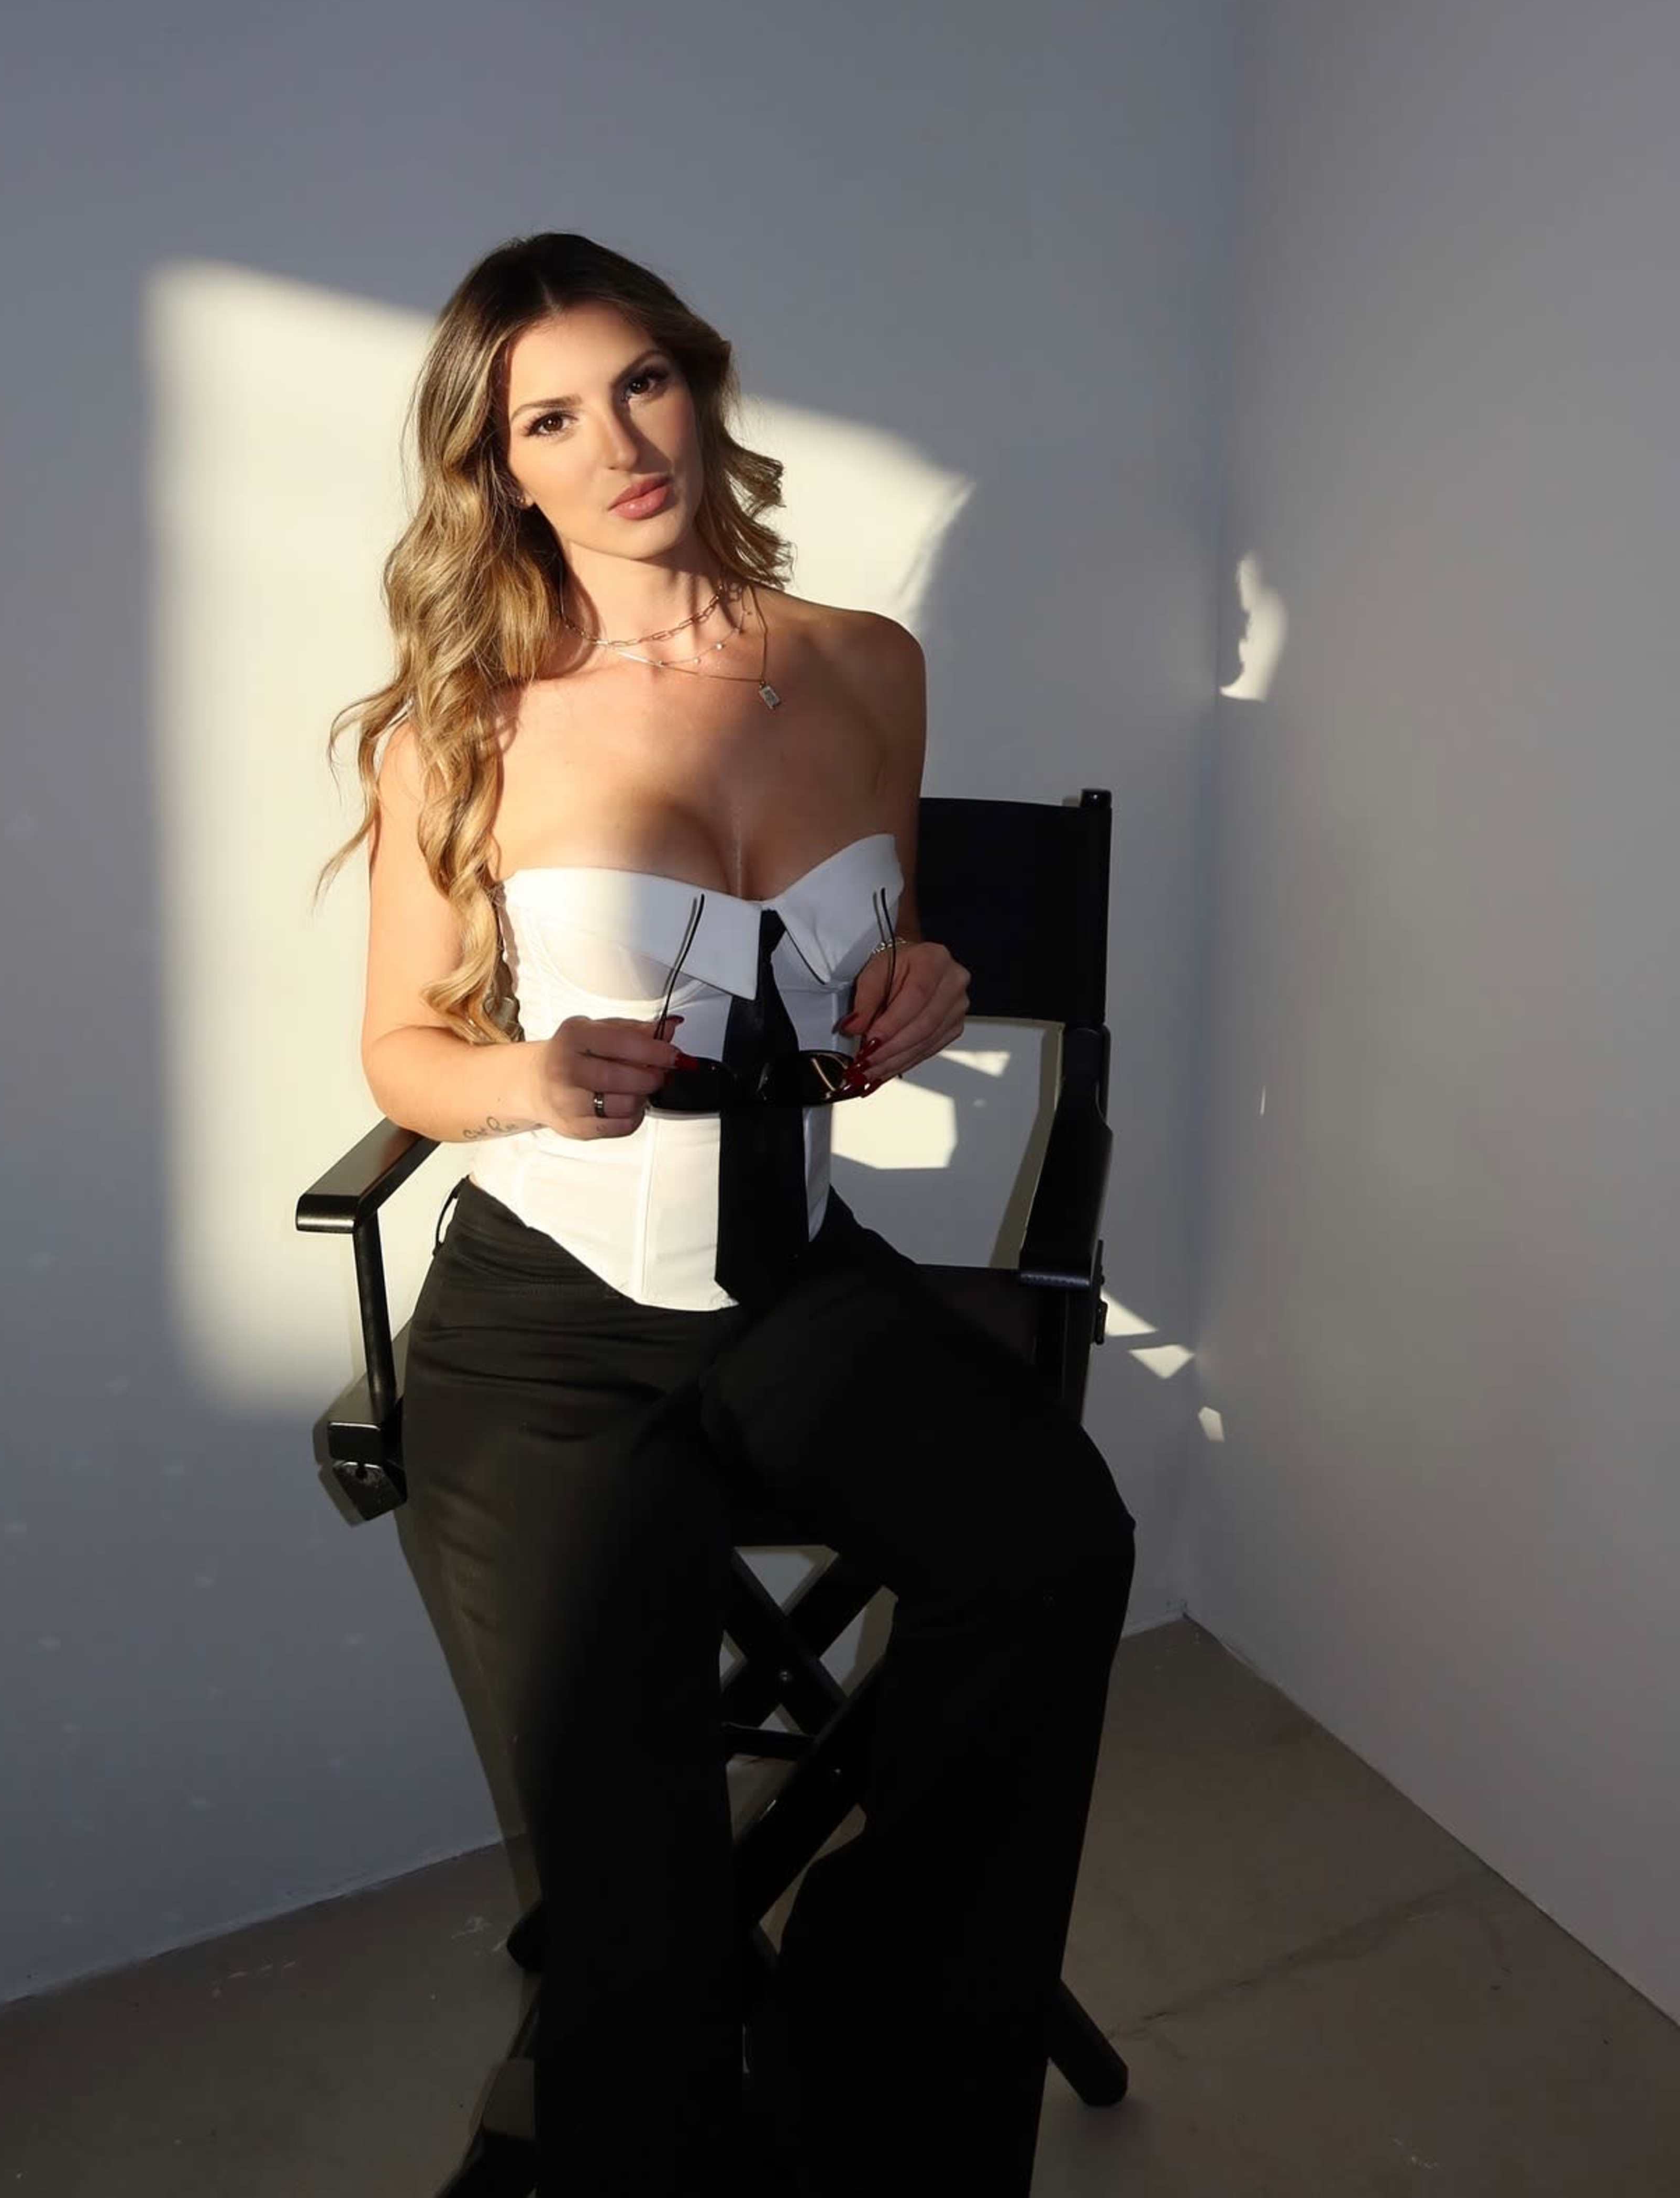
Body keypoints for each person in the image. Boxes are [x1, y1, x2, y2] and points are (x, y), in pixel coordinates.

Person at [316, 230, 1136, 2197]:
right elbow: (400, 1051)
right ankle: (675, 2047)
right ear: (500, 468)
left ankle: (876, 2025)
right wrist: (518, 1075)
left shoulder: (868, 665)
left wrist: (919, 987)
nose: (617, 443)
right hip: (545, 1326)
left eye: (643, 384)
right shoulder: (464, 718)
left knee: (1049, 1545)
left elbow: (882, 958)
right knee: (633, 1889)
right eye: (551, 417)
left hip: (796, 1279)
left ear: (701, 385)